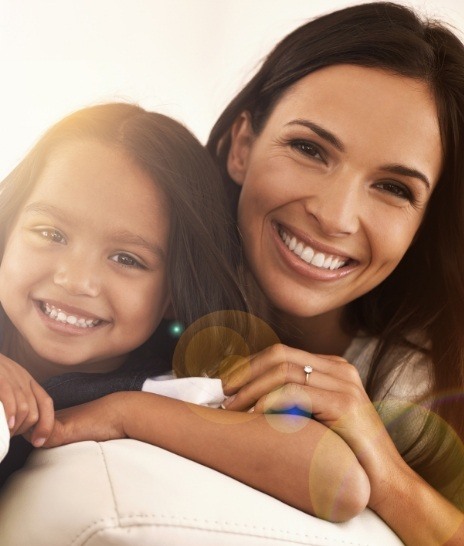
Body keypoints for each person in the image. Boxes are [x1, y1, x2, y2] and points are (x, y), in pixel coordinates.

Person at [39, 2, 464, 543]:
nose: (334, 216)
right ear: (242, 146)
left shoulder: (429, 371)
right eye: (309, 149)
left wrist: (384, 464)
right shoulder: (137, 275)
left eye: (394, 188)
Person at [0, 101, 249, 481]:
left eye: (126, 259)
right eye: (51, 234)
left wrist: (126, 413)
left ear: (172, 295)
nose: (76, 280)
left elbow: (329, 471)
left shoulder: (164, 390)